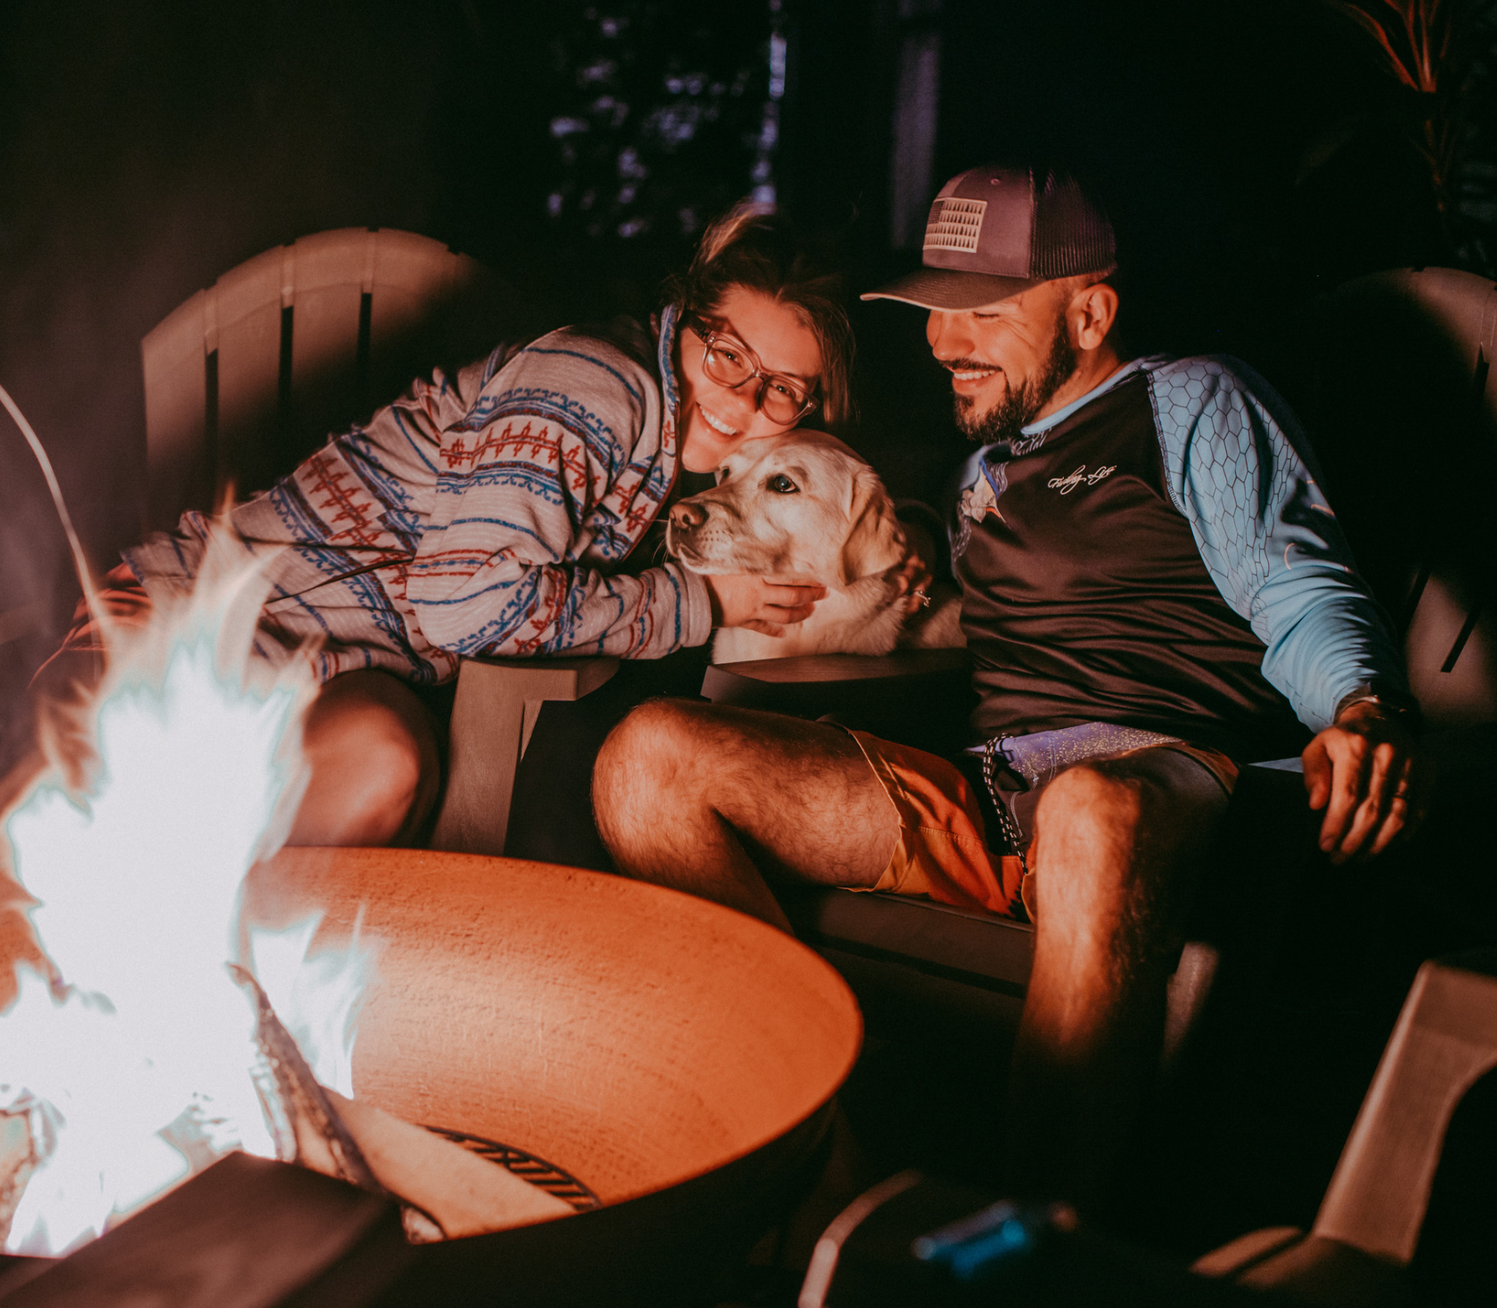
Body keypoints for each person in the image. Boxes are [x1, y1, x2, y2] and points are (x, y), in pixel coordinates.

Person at [590, 163, 1432, 1209]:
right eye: (934, 312)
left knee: (1088, 807)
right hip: (995, 802)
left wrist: (1360, 708)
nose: (945, 341)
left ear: (1090, 310)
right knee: (647, 761)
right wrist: (911, 556)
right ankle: (828, 1174)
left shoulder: (1186, 403)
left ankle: (1029, 1249)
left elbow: (1297, 584)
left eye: (983, 312)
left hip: (1170, 788)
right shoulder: (982, 475)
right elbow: (954, 614)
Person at [33, 203, 856, 847]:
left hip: (329, 670)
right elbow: (464, 605)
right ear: (686, 323)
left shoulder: (682, 465)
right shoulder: (597, 386)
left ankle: (200, 941)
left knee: (387, 768)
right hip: (187, 625)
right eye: (729, 356)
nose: (746, 400)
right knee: (114, 795)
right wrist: (700, 606)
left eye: (785, 388)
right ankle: (135, 913)